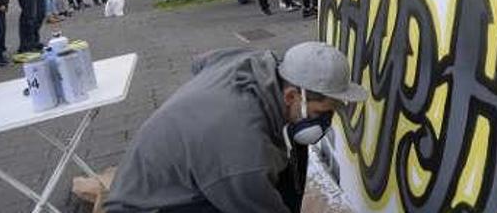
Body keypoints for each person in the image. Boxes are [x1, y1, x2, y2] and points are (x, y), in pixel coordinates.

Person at [105, 41, 367, 213]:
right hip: (145, 207)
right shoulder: (243, 153)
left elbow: (201, 63)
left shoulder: (253, 64)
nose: (325, 122)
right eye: (321, 113)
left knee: (291, 157)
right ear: (291, 96)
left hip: (164, 178)